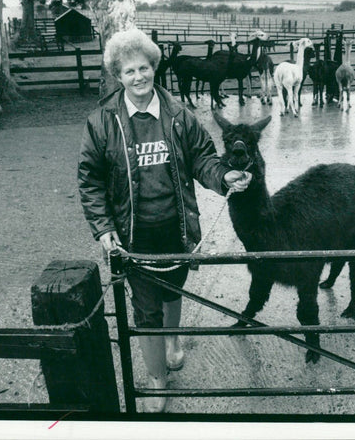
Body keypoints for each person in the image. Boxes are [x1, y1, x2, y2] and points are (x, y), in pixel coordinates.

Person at [78, 28, 251, 413]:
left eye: (143, 68)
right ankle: (157, 378)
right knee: (145, 310)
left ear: (154, 67)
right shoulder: (102, 122)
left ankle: (173, 342)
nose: (138, 77)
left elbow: (203, 158)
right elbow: (89, 180)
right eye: (128, 72)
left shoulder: (179, 116)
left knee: (174, 290)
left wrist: (224, 177)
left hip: (176, 228)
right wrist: (104, 228)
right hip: (131, 236)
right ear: (117, 76)